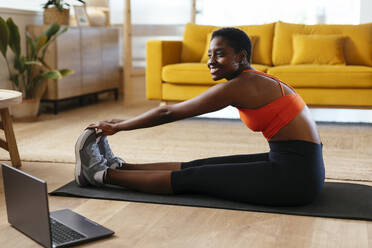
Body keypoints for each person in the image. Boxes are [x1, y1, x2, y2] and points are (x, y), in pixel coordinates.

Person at [75, 27, 325, 206]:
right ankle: (122, 167)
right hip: (301, 165)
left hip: (295, 179)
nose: (211, 62)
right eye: (209, 55)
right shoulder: (254, 78)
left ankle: (100, 175)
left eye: (220, 54)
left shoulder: (242, 85)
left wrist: (120, 127)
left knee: (194, 178)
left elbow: (168, 112)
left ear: (241, 57)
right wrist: (122, 123)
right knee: (201, 165)